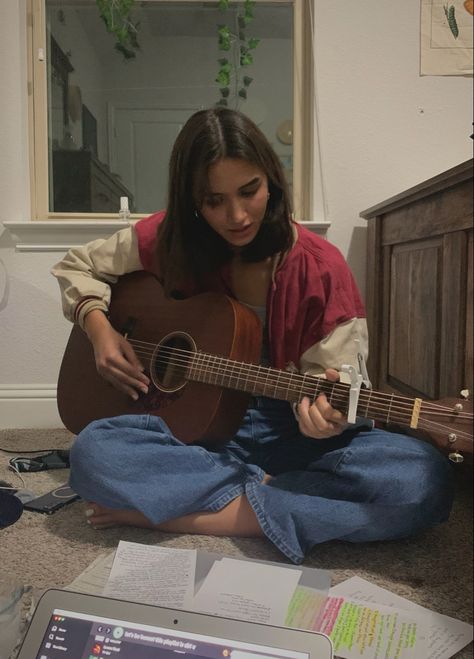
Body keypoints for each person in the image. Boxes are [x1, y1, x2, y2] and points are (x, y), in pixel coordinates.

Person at [51, 107, 453, 564]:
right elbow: (76, 265)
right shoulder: (168, 238)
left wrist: (326, 419)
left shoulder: (319, 265)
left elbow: (338, 382)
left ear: (272, 181)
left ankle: (188, 514)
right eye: (214, 200)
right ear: (192, 202)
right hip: (197, 426)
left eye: (249, 191)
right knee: (93, 452)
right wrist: (98, 327)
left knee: (421, 479)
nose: (237, 215)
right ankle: (282, 501)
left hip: (292, 430)